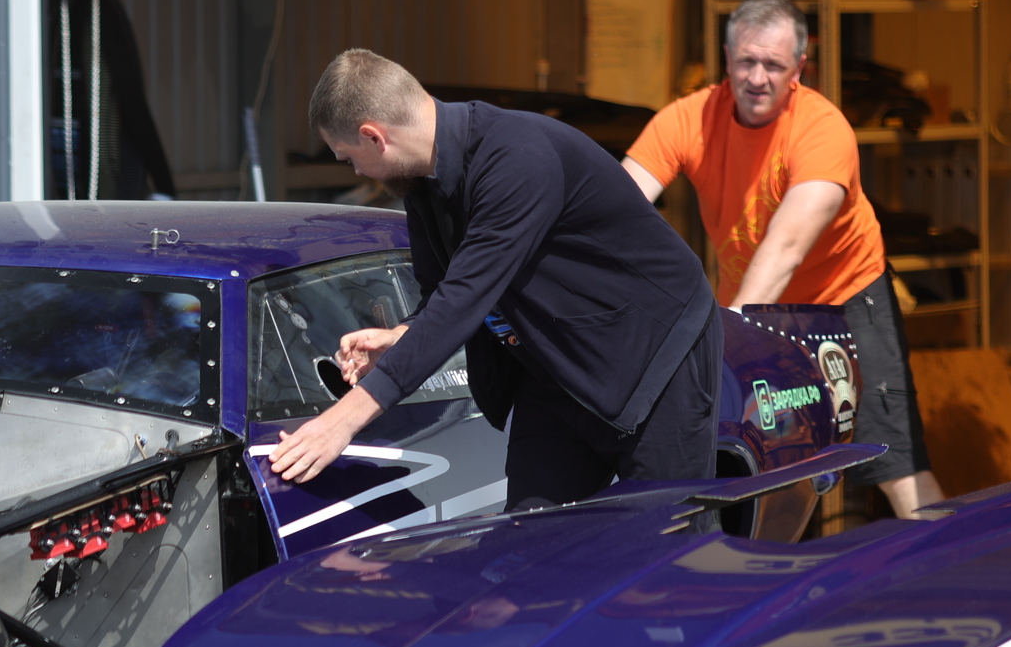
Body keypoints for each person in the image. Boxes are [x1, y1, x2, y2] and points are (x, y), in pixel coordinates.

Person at [268, 49, 722, 513]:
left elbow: (465, 297)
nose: (357, 172)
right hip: (555, 366)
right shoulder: (421, 181)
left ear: (374, 136)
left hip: (654, 357)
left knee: (668, 537)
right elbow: (443, 294)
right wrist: (401, 336)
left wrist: (341, 422)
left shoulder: (516, 157)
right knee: (529, 537)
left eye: (349, 158)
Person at [622, 0, 946, 518]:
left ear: (799, 69)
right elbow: (617, 207)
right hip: (756, 308)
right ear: (726, 60)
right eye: (746, 62)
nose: (757, 78)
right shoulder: (687, 118)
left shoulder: (823, 129)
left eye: (773, 65)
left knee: (895, 465)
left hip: (845, 302)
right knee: (754, 460)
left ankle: (940, 562)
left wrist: (729, 333)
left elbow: (788, 244)